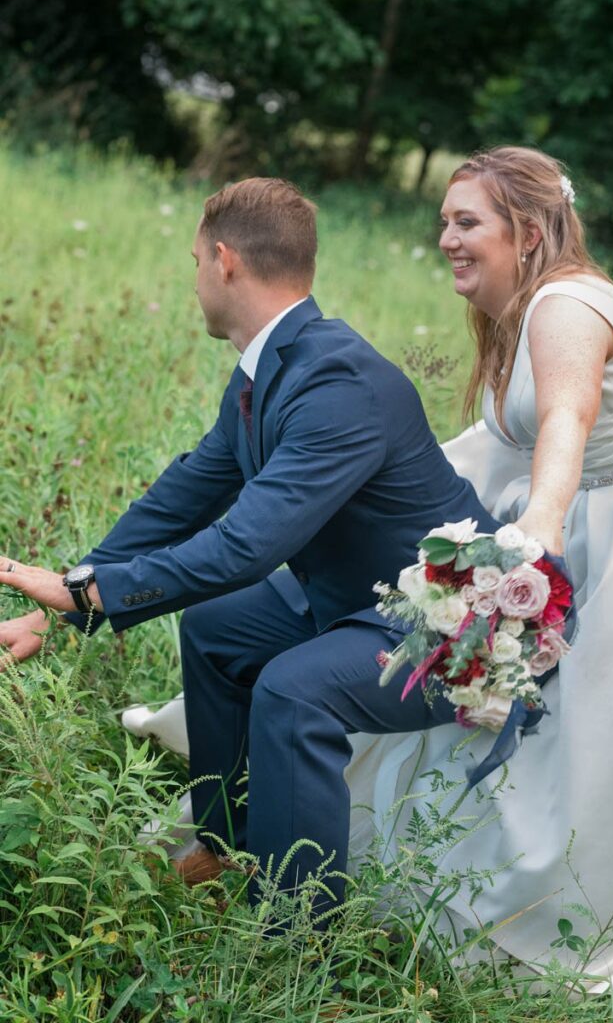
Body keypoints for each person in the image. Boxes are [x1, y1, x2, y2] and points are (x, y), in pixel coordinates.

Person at [0, 177, 501, 917]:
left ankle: (298, 932)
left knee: (292, 689)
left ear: (224, 260)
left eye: (195, 259)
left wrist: (90, 593)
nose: (196, 276)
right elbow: (183, 496)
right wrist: (62, 609)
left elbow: (244, 547)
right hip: (358, 596)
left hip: (447, 623)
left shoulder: (336, 382)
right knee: (215, 628)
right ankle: (224, 846)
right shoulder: (275, 366)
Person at [343, 146, 613, 989]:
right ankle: (450, 895)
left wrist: (539, 522)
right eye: (443, 222)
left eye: (466, 222)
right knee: (490, 718)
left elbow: (566, 420)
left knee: (592, 747)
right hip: (585, 525)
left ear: (525, 232)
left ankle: (552, 945)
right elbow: (490, 448)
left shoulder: (565, 305)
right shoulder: (513, 315)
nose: (446, 239)